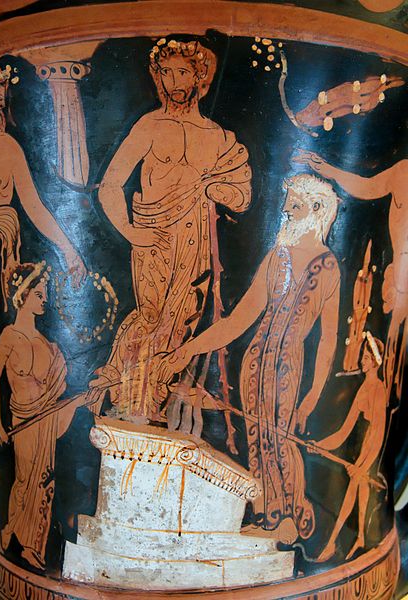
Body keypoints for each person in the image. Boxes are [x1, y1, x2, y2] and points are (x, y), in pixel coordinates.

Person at [158, 174, 341, 542]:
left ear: (317, 208)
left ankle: (287, 515)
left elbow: (328, 341)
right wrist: (188, 349)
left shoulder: (328, 266)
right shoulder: (277, 257)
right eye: (286, 203)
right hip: (255, 362)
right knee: (257, 437)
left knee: (280, 439)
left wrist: (312, 397)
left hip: (288, 365)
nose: (285, 210)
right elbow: (239, 320)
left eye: (294, 204)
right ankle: (265, 515)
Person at [88, 38, 252, 423]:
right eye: (166, 73)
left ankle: (152, 403)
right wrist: (130, 232)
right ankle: (128, 399)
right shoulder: (150, 125)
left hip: (193, 244)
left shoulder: (217, 136)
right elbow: (110, 185)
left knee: (179, 326)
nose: (174, 82)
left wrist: (215, 189)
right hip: (154, 239)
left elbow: (242, 196)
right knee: (149, 316)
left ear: (199, 77)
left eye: (182, 73)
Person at [0, 59, 86, 381]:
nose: (2, 104)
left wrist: (68, 249)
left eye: (3, 97)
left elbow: (28, 205)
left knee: (1, 317)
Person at [0, 262, 84, 569]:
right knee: (23, 481)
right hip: (22, 420)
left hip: (44, 420)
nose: (45, 300)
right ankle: (10, 529)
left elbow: (56, 391)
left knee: (44, 481)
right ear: (23, 295)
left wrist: (80, 400)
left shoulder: (49, 344)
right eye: (39, 295)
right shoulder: (9, 335)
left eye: (45, 295)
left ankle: (33, 547)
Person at [295, 150, 408, 399]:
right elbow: (367, 187)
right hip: (399, 283)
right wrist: (328, 170)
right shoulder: (402, 172)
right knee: (392, 357)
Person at [312, 334, 386, 561]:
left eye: (366, 357)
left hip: (370, 449)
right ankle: (361, 537)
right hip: (363, 449)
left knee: (352, 494)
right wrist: (320, 446)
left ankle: (332, 543)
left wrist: (363, 465)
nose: (362, 361)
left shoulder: (378, 389)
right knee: (360, 492)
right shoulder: (363, 388)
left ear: (375, 361)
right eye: (362, 356)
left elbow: (378, 434)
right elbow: (344, 431)